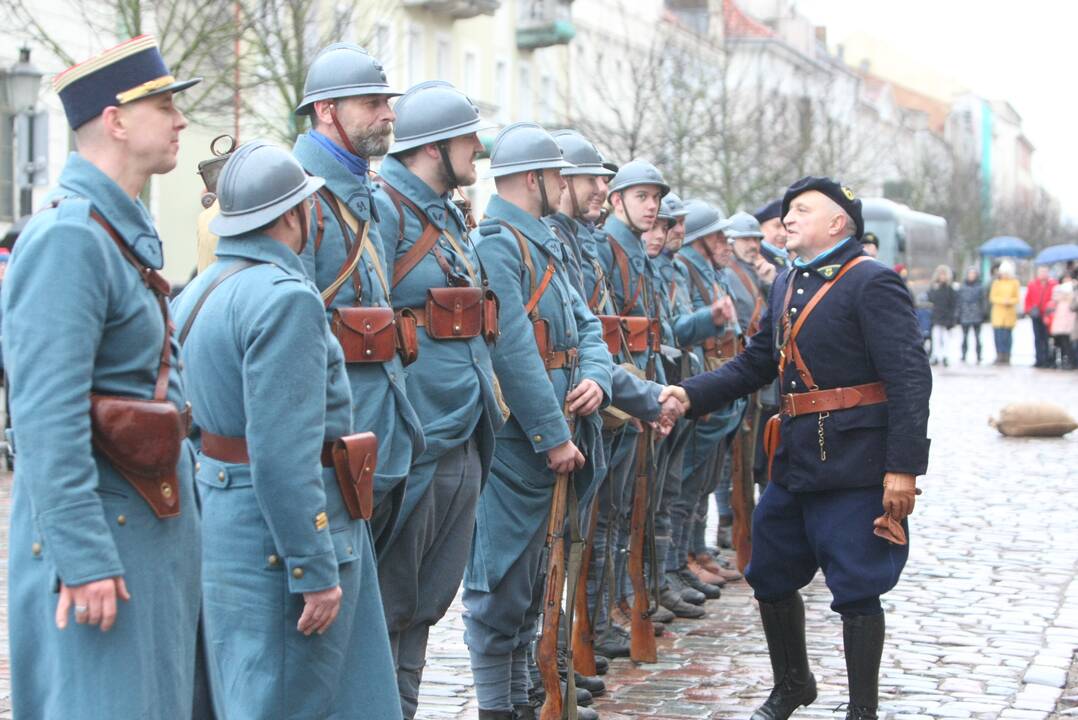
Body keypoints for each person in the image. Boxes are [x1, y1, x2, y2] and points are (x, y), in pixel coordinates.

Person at [663, 177, 931, 720]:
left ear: (839, 223)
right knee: (770, 571)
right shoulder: (788, 281)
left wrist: (903, 468)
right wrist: (687, 395)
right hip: (795, 458)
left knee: (857, 585)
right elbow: (756, 363)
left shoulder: (871, 282)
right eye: (787, 210)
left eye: (802, 209)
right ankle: (793, 683)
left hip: (856, 461)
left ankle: (862, 709)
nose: (788, 217)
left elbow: (909, 379)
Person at [3, 35, 202, 718]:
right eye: (165, 105)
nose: (180, 121)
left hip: (143, 530)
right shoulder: (70, 239)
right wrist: (84, 558)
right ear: (116, 119)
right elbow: (44, 417)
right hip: (104, 546)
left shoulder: (117, 233)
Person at [173, 141, 400, 718]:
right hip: (283, 539)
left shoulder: (196, 294)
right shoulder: (285, 301)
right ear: (292, 216)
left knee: (242, 694)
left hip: (223, 519)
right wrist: (313, 567)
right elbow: (282, 455)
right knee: (292, 700)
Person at [465, 122, 613, 720]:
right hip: (518, 445)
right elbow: (513, 349)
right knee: (499, 588)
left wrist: (598, 379)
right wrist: (552, 434)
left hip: (559, 438)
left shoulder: (542, 242)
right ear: (534, 179)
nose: (564, 184)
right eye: (557, 175)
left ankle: (527, 698)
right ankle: (500, 709)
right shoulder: (498, 242)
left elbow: (588, 327)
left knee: (533, 589)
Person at [369, 80, 504, 718]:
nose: (477, 150)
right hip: (415, 433)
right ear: (433, 146)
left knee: (427, 599)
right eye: (467, 138)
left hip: (464, 427)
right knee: (391, 600)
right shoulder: (384, 209)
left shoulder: (447, 216)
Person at [292, 42, 424, 560]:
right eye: (372, 102)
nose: (389, 113)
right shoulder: (298, 199)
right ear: (327, 111)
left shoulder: (373, 200)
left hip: (383, 430)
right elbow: (291, 336)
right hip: (333, 445)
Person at [1025, 265, 1058, 368]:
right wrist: (1029, 310)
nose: (1043, 274)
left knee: (1047, 338)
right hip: (1036, 315)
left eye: (1045, 272)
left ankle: (1048, 359)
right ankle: (1039, 359)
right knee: (1037, 338)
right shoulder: (1032, 284)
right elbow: (1028, 299)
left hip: (1048, 315)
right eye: (1041, 272)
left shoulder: (1053, 284)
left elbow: (1055, 299)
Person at [990, 260, 1021, 365]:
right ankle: (999, 354)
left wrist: (1010, 301)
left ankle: (1007, 355)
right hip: (998, 314)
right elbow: (992, 297)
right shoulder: (996, 283)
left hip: (1009, 314)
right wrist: (1003, 301)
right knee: (998, 336)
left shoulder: (1015, 283)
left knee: (1007, 336)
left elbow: (1017, 298)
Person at [927, 265, 957, 366]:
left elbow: (953, 304)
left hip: (946, 317)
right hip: (936, 316)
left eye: (944, 274)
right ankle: (935, 355)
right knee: (935, 337)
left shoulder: (950, 289)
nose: (942, 277)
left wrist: (952, 318)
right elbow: (930, 299)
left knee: (945, 338)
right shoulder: (934, 288)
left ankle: (945, 356)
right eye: (941, 274)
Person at [956, 267, 987, 364]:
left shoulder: (980, 287)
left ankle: (979, 355)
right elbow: (959, 301)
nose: (971, 276)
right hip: (965, 314)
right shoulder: (962, 287)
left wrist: (984, 313)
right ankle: (964, 355)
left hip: (977, 314)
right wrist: (958, 314)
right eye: (970, 274)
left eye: (973, 274)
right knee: (964, 337)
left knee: (978, 337)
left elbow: (983, 301)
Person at [1049, 270, 1076, 370]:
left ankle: (1070, 361)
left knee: (1068, 343)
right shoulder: (1058, 291)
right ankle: (1061, 360)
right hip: (1059, 320)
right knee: (1058, 342)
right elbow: (1053, 300)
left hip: (1069, 320)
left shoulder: (1074, 291)